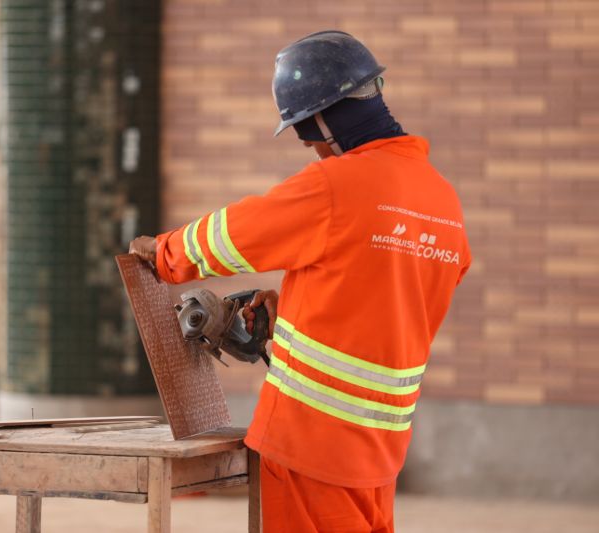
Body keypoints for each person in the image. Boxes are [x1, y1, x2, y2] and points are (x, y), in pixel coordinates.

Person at [130, 31, 470, 533]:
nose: (310, 147)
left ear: (323, 119)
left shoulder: (337, 185)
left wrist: (162, 254)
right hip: (378, 449)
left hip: (310, 443)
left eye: (302, 132)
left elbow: (234, 233)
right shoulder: (444, 204)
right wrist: (293, 307)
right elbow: (381, 295)